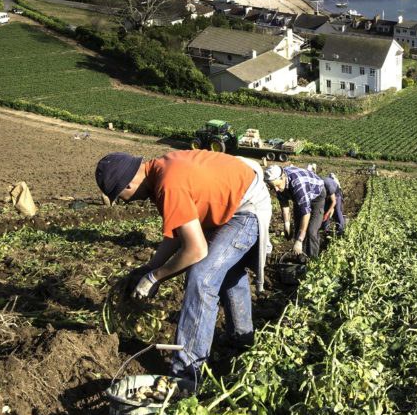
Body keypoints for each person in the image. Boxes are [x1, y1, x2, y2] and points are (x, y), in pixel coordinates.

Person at [95, 149, 271, 383]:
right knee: (226, 271)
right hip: (230, 198)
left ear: (127, 185)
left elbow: (195, 250)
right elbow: (178, 233)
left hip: (245, 208)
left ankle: (186, 374)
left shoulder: (168, 184)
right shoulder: (160, 171)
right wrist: (152, 266)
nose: (126, 202)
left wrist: (155, 278)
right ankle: (242, 340)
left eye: (122, 197)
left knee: (201, 277)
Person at [263, 164, 325, 258]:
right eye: (272, 186)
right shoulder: (279, 184)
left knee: (311, 230)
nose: (275, 189)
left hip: (316, 196)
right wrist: (287, 224)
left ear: (283, 177)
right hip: (299, 197)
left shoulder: (298, 184)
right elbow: (284, 205)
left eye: (276, 185)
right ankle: (301, 258)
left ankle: (312, 260)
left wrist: (299, 240)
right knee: (298, 227)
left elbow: (306, 214)